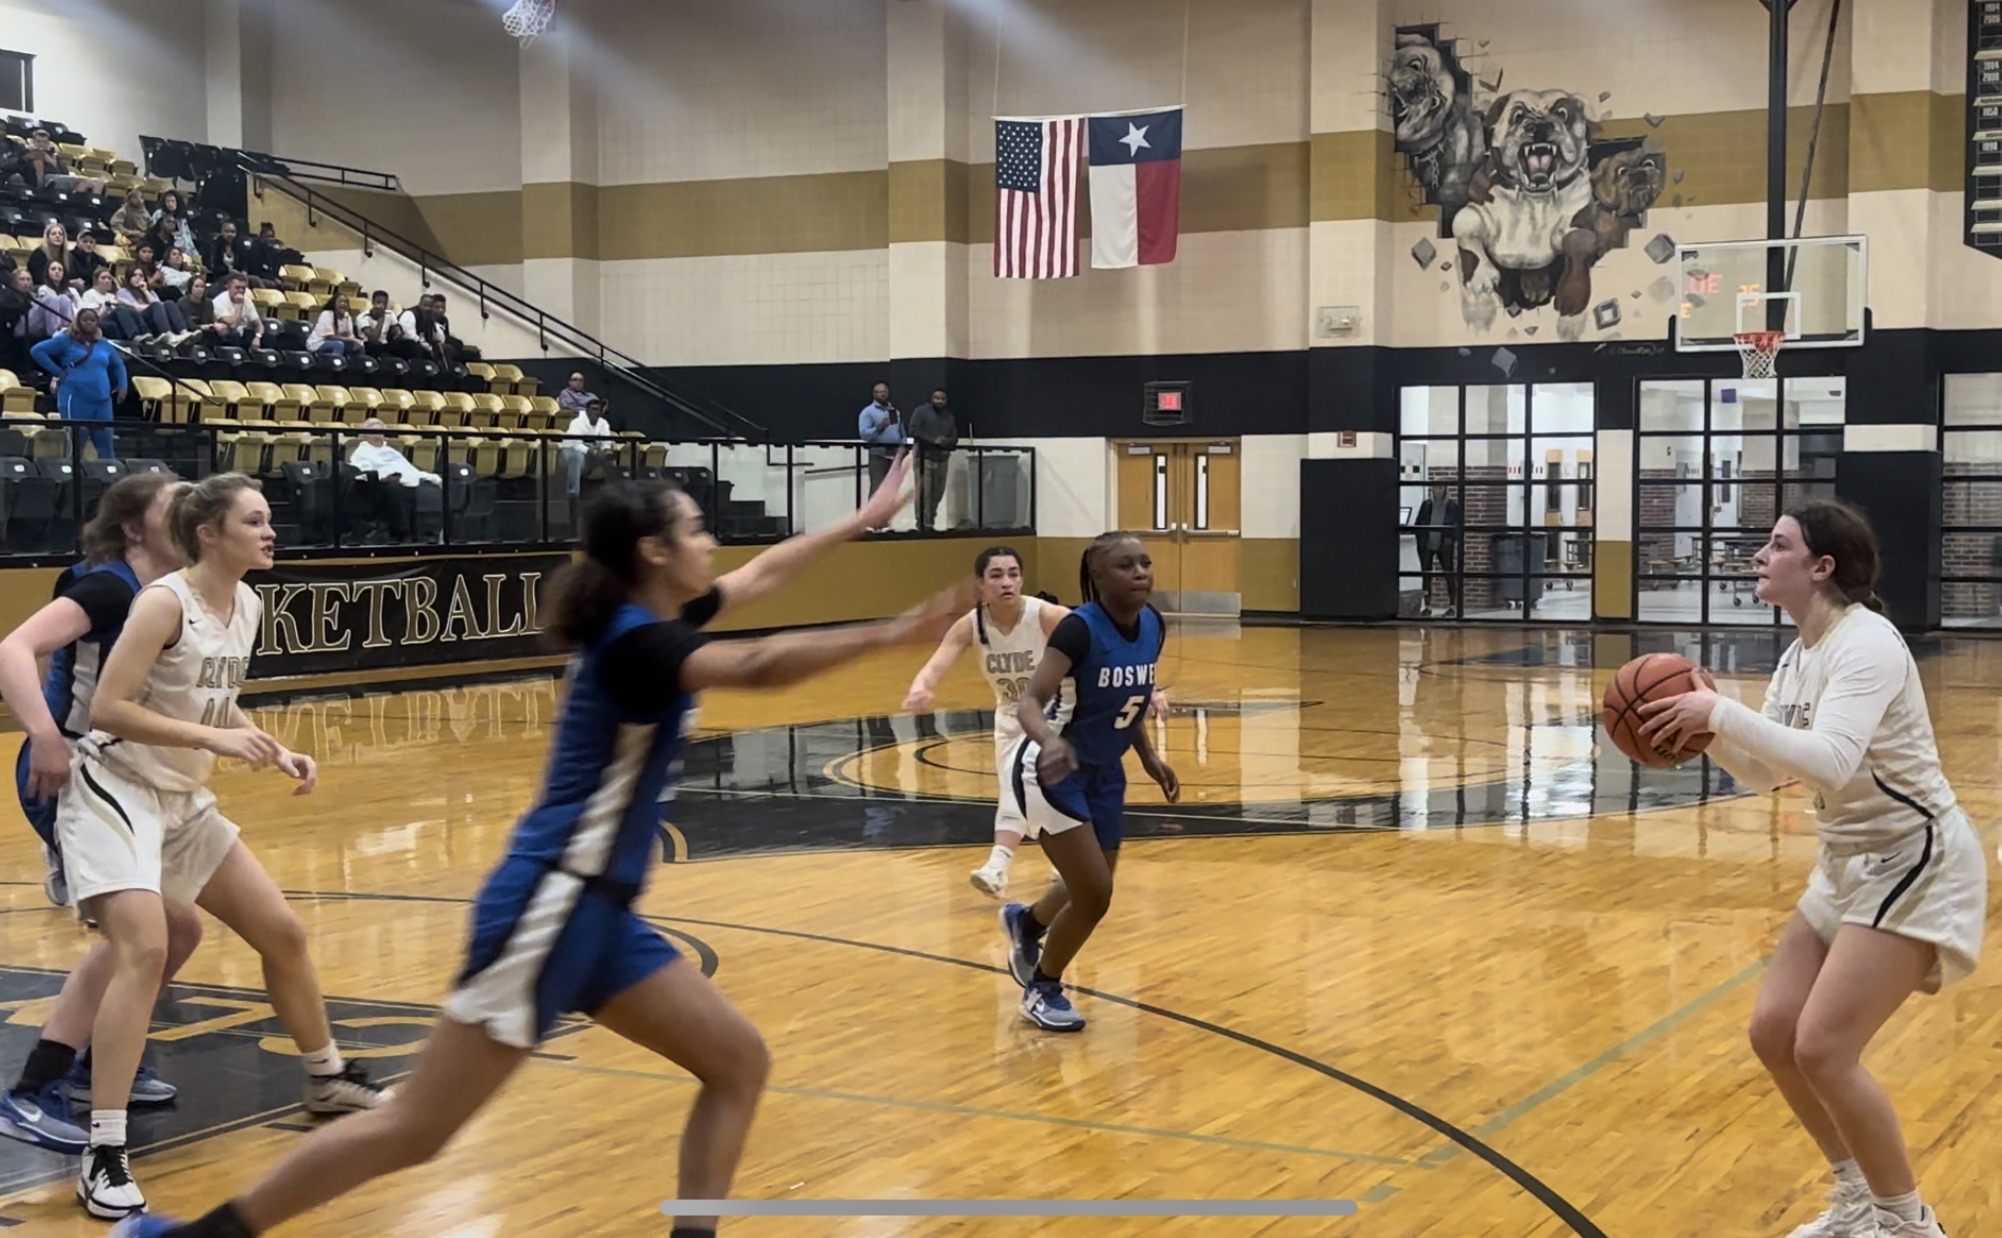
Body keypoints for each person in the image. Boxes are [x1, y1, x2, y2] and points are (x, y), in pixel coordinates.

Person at [118, 455, 973, 1238]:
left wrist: (862, 519)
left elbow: (764, 574)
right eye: (696, 530)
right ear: (655, 552)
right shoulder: (637, 645)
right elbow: (758, 667)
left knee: (737, 1062)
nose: (712, 544)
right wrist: (893, 632)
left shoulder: (654, 616)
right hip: (551, 905)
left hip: (600, 916)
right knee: (418, 1128)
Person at [1638, 500, 1986, 1238]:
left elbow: (1830, 760)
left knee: (1824, 1048)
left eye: (1777, 544)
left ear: (1822, 567)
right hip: (1846, 860)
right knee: (1775, 1032)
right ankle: (1858, 1198)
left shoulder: (1868, 644)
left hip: (1913, 857)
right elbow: (1772, 775)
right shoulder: (1799, 654)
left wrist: (1721, 714)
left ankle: (1908, 1225)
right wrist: (1713, 734)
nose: (1760, 555)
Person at [60, 473, 387, 1219]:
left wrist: (269, 745)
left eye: (269, 520)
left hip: (181, 799)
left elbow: (212, 699)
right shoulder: (162, 603)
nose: (271, 533)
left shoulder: (248, 603)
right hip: (116, 788)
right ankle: (102, 1150)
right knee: (145, 948)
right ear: (209, 534)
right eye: (255, 521)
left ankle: (327, 1077)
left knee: (283, 932)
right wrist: (215, 739)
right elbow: (108, 707)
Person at [0, 475, 201, 1156]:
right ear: (133, 528)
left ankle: (101, 1062)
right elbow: (13, 648)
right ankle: (34, 1089)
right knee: (137, 938)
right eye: (172, 506)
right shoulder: (111, 589)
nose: (190, 513)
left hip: (129, 777)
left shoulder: (173, 593)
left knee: (178, 931)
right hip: (69, 772)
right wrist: (44, 735)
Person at [998, 532, 1179, 1032]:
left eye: (1145, 563)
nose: (1140, 572)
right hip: (1051, 769)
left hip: (1105, 771)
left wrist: (1149, 758)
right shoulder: (1078, 630)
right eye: (1126, 565)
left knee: (1092, 880)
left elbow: (1128, 700)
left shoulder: (1152, 624)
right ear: (1098, 575)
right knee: (1095, 894)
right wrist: (1050, 743)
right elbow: (1029, 703)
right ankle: (1043, 988)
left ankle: (1027, 922)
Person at [903, 546, 1074, 897]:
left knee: (1023, 783)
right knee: (1022, 789)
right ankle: (1064, 861)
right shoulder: (971, 624)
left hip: (1053, 712)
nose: (1006, 582)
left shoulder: (1045, 615)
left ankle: (998, 866)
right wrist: (921, 687)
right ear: (980, 584)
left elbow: (1101, 645)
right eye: (996, 575)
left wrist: (1145, 689)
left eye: (1013, 574)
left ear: (1022, 579)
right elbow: (939, 661)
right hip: (1010, 714)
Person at [31, 307, 127, 463]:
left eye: (92, 320)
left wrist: (123, 385)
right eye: (85, 320)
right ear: (77, 322)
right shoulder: (66, 340)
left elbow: (118, 365)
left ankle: (109, 476)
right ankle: (72, 476)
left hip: (102, 401)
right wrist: (57, 371)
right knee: (76, 445)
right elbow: (37, 350)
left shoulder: (104, 344)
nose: (89, 323)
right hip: (75, 398)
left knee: (106, 447)